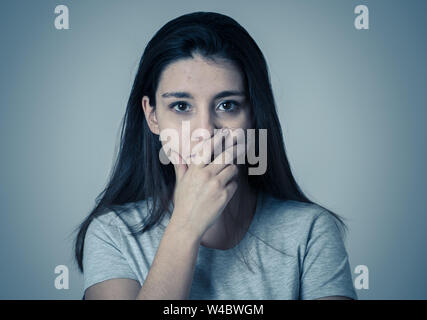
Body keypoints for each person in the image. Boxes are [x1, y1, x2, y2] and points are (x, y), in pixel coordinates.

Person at [73, 11, 358, 300]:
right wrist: (185, 228)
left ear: (253, 116)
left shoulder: (310, 232)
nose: (206, 131)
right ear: (152, 116)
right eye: (181, 107)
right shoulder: (113, 234)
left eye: (227, 105)